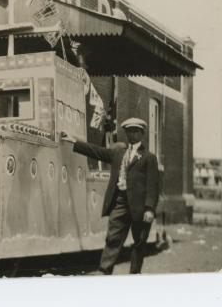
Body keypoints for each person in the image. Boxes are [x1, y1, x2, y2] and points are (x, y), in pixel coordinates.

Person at [61, 117, 160, 274]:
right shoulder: (118, 153)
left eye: (135, 131)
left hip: (140, 207)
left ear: (142, 134)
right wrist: (74, 141)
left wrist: (149, 209)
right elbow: (97, 151)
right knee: (113, 237)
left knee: (139, 241)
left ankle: (135, 273)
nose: (132, 135)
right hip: (119, 202)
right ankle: (104, 270)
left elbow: (153, 186)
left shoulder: (149, 157)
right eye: (129, 131)